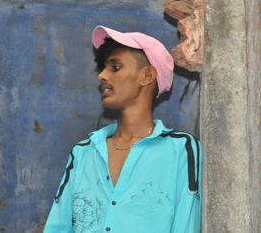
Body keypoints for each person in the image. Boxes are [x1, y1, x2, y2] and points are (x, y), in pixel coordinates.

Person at [44, 25, 202, 233]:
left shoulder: (182, 150)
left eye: (115, 67)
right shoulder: (84, 152)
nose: (101, 75)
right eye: (103, 68)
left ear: (147, 76)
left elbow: (186, 225)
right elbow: (58, 227)